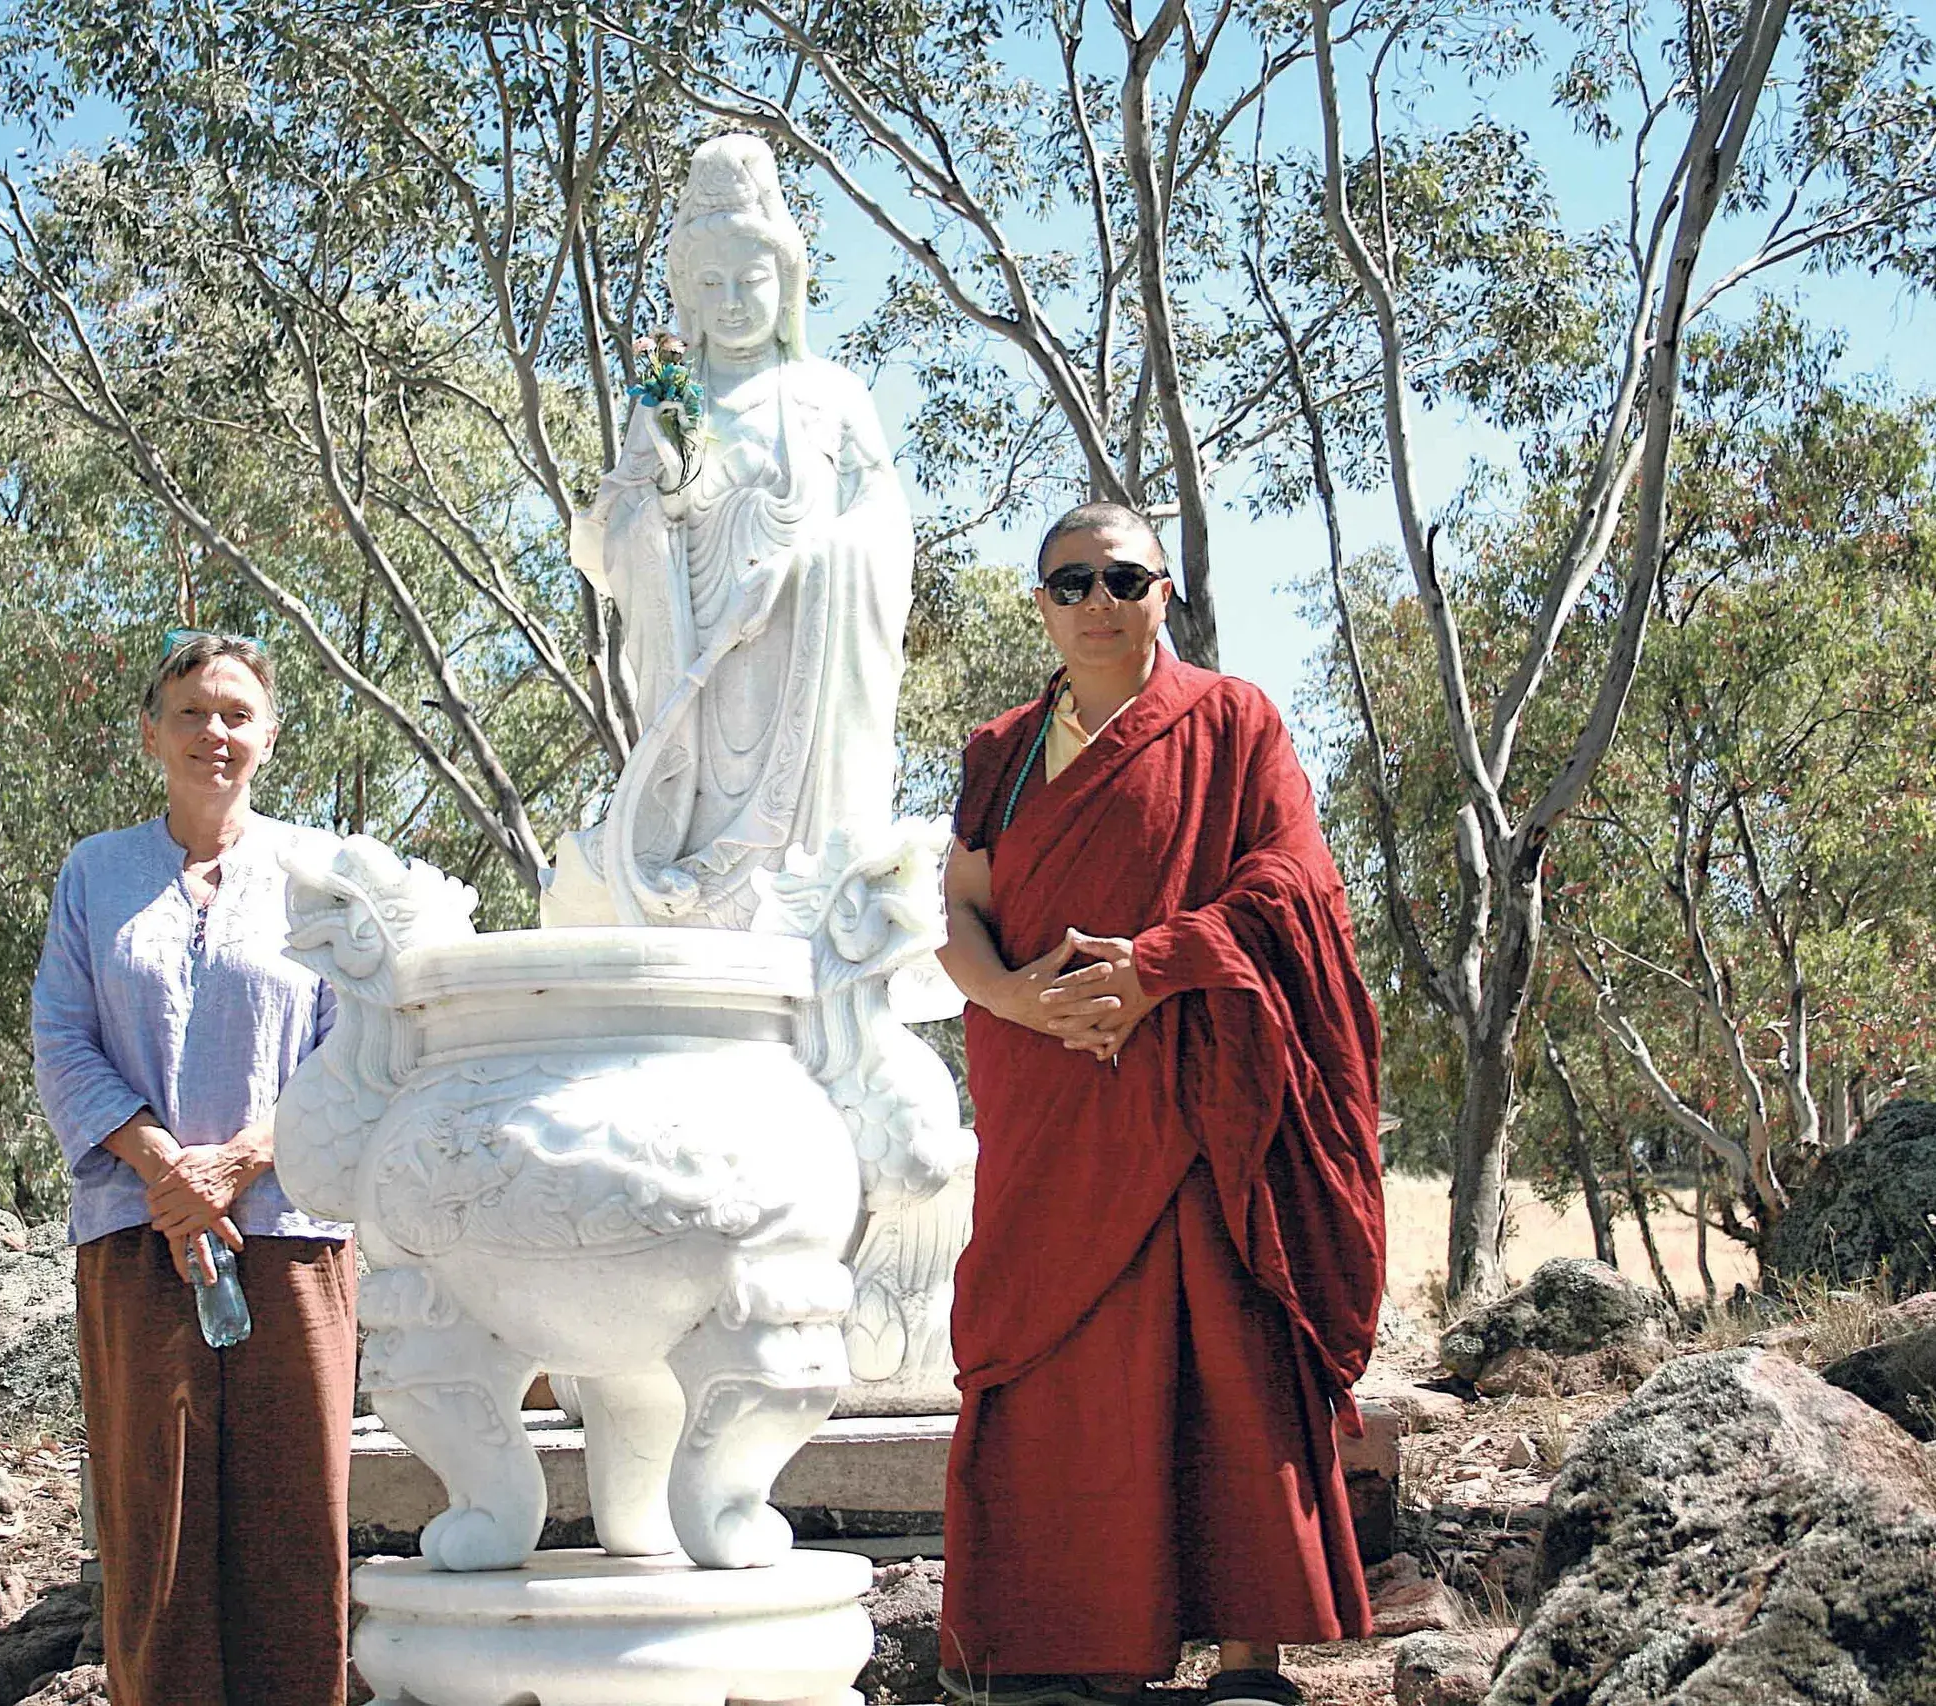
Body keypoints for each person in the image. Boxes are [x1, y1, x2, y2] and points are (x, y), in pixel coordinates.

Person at [932, 504, 1387, 1706]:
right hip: (1048, 1097)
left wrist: (1157, 963)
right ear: (1039, 601)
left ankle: (1246, 1657)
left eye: (1120, 578)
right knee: (1047, 1353)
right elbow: (963, 913)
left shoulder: (1233, 722)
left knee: (1219, 1349)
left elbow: (1294, 879)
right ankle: (1058, 1651)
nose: (1095, 600)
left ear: (1162, 593)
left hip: (1190, 1089)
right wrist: (1019, 1004)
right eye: (1069, 580)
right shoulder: (1002, 750)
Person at [32, 632, 356, 1706]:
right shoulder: (96, 872)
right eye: (190, 712)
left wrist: (239, 1161)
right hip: (137, 1238)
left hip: (289, 1236)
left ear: (267, 735)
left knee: (292, 1523)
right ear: (150, 732)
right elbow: (63, 1036)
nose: (213, 732)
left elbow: (349, 1049)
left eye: (235, 713)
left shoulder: (317, 877)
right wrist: (166, 1164)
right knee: (154, 1532)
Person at [548, 132, 912, 930]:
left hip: (799, 651)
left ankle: (795, 884)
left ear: (786, 283)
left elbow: (882, 518)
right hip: (694, 647)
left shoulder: (830, 393)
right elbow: (618, 522)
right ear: (684, 293)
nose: (733, 302)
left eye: (750, 280)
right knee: (689, 781)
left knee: (793, 831)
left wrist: (814, 558)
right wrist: (655, 509)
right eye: (709, 283)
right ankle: (679, 864)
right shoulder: (666, 401)